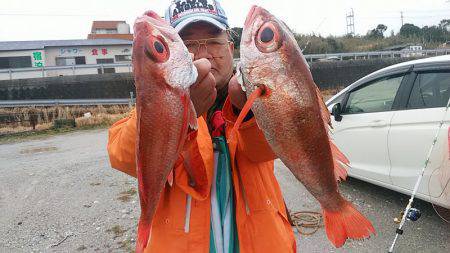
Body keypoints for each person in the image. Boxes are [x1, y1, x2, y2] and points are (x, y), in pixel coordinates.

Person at [107, 1, 296, 252]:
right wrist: (178, 113)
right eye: (189, 44)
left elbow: (270, 148)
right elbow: (124, 158)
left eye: (214, 42)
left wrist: (245, 110)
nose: (204, 53)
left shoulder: (257, 92)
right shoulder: (155, 102)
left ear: (231, 48)